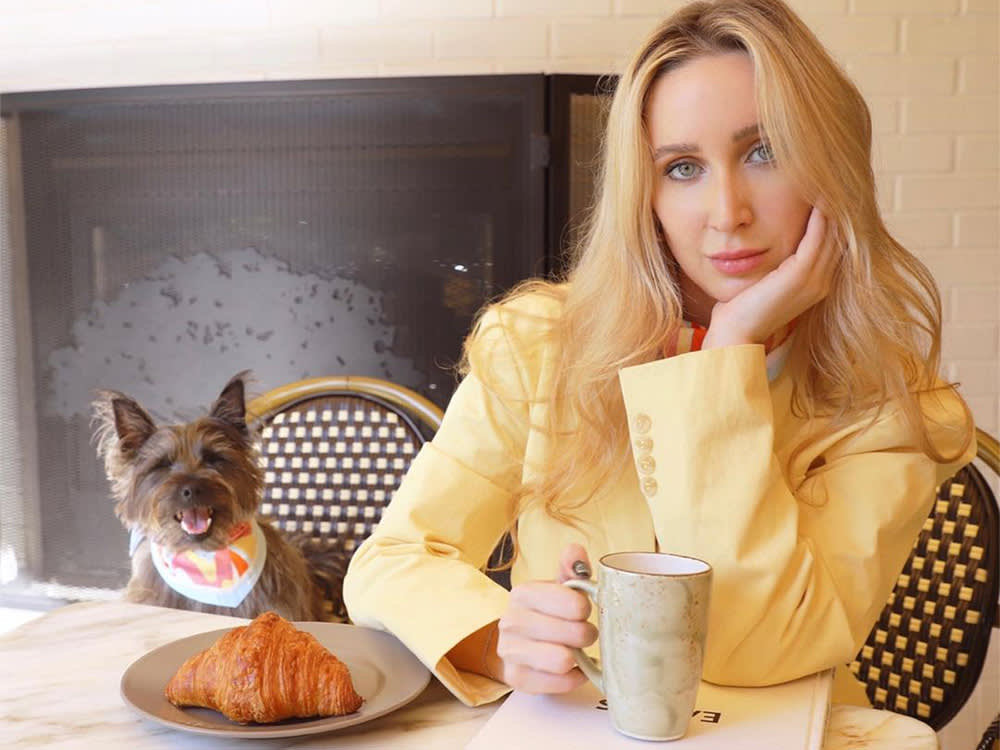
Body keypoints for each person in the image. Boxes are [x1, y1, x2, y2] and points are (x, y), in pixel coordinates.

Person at [343, 0, 975, 708]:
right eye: (682, 168)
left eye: (765, 151)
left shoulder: (894, 405)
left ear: (832, 170)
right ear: (644, 196)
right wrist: (501, 640)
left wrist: (728, 354)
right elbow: (391, 560)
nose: (726, 210)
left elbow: (755, 650)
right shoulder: (536, 346)